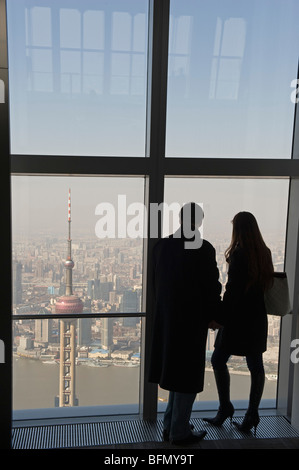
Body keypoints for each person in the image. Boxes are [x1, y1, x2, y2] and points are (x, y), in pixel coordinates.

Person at [148, 202, 222, 445]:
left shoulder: (161, 246)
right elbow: (211, 287)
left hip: (167, 320)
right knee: (187, 376)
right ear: (199, 221)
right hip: (191, 321)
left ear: (180, 219)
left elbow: (155, 284)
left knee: (173, 373)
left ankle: (171, 425)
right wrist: (215, 316)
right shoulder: (203, 248)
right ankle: (179, 431)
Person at [204, 212, 274, 435]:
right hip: (256, 318)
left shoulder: (239, 254)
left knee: (217, 360)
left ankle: (225, 407)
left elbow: (232, 292)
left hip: (236, 319)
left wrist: (220, 317)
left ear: (238, 229)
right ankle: (252, 413)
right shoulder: (265, 253)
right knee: (256, 366)